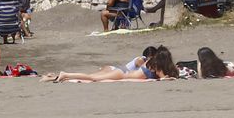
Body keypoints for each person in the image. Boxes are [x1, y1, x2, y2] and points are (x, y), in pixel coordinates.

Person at [42, 49, 179, 82]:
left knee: (92, 79)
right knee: (93, 78)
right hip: (122, 74)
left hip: (122, 73)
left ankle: (53, 77)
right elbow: (162, 79)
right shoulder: (155, 66)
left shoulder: (152, 64)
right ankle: (66, 74)